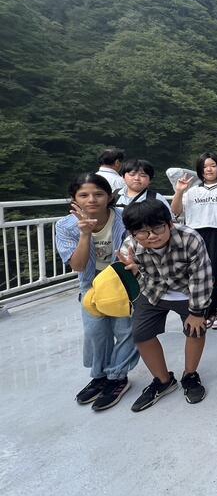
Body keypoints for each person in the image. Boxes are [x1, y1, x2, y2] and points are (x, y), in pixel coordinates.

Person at [119, 199, 214, 411]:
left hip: (187, 291)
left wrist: (197, 312)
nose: (151, 236)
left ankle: (190, 375)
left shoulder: (190, 238)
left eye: (158, 228)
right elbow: (126, 279)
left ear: (170, 224)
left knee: (196, 329)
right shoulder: (130, 246)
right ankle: (163, 380)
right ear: (132, 233)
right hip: (152, 289)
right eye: (142, 232)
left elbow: (201, 276)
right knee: (141, 334)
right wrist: (133, 271)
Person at [55, 173, 139, 411]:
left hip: (123, 280)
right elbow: (78, 266)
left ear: (109, 197)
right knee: (95, 332)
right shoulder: (65, 226)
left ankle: (118, 377)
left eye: (98, 194)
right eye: (83, 195)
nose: (91, 200)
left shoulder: (126, 219)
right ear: (74, 200)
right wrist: (85, 233)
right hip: (91, 283)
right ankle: (100, 376)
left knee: (125, 329)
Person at [171, 152, 217, 329]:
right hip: (195, 234)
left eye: (212, 165)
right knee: (199, 273)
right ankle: (205, 309)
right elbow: (176, 212)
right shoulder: (192, 191)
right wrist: (179, 191)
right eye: (204, 166)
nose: (208, 169)